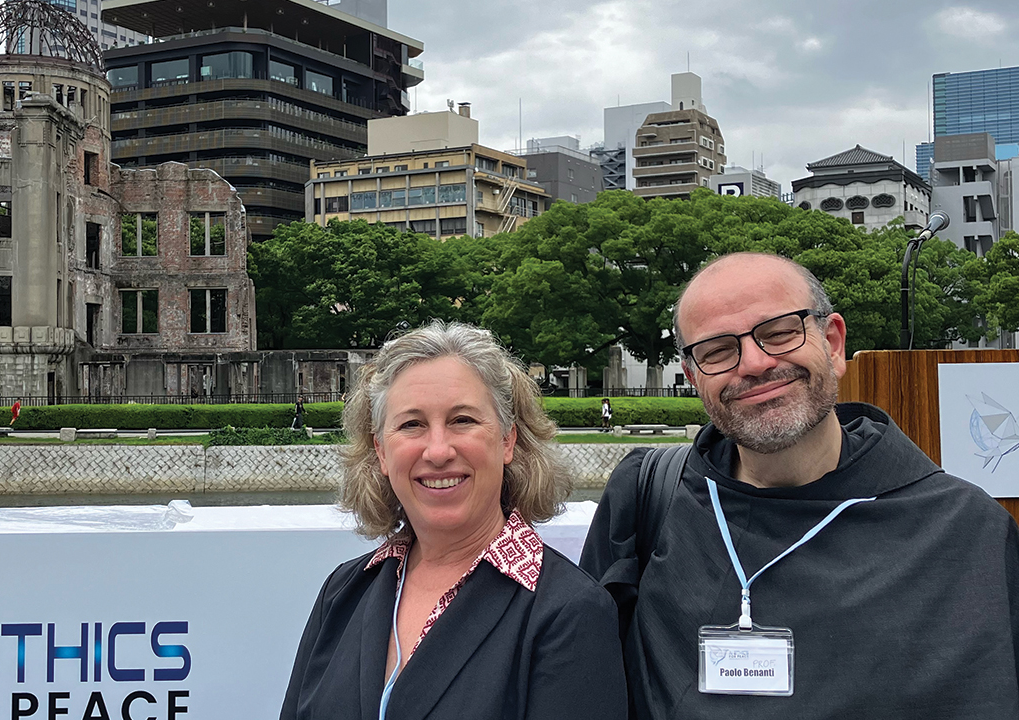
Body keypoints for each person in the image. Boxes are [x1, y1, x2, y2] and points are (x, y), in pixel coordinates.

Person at [580, 252, 1019, 719]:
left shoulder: (965, 531)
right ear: (693, 378)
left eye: (779, 332)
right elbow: (583, 679)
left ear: (832, 343)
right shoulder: (647, 496)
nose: (752, 362)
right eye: (717, 350)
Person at [282, 320, 627, 720]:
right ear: (380, 451)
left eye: (463, 420)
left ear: (507, 440)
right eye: (411, 424)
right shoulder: (344, 591)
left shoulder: (570, 611)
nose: (438, 450)